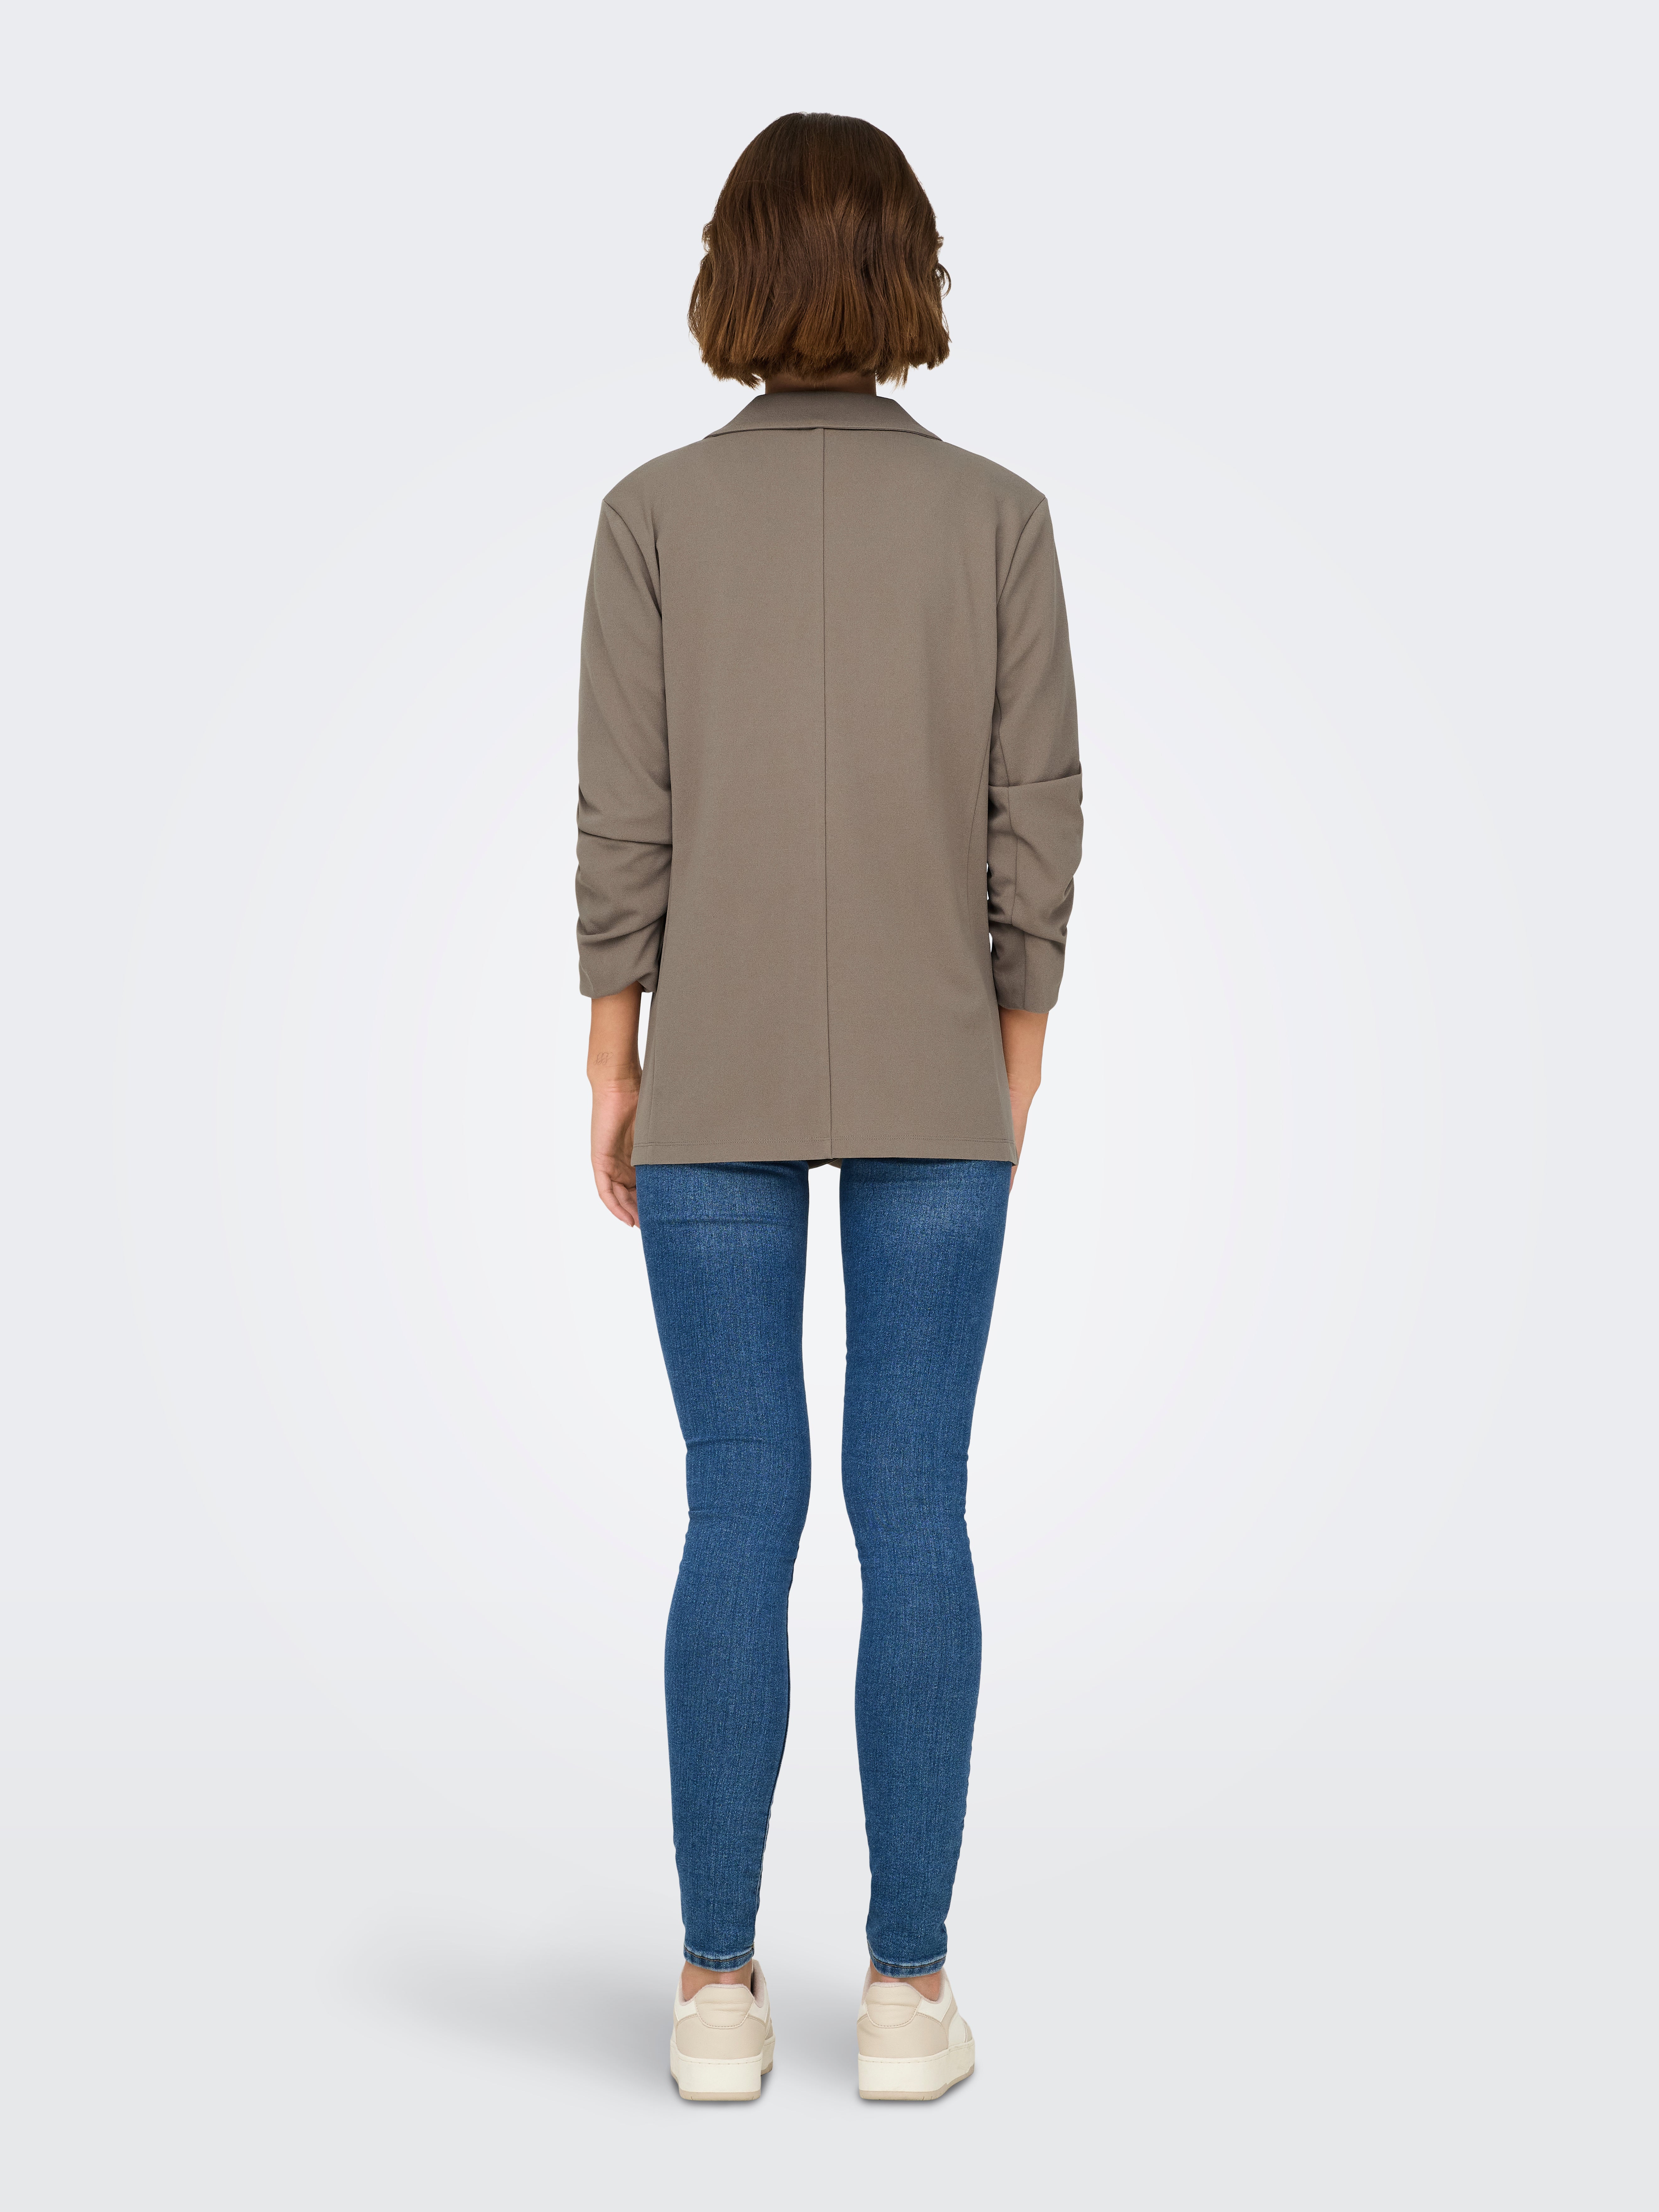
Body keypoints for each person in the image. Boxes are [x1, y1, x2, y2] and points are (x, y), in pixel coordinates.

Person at [575, 111, 1083, 2102]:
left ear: (733, 272)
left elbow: (624, 817)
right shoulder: (998, 518)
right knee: (913, 1503)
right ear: (906, 275)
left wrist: (611, 1058)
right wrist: (1011, 1054)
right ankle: (900, 1995)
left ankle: (715, 1993)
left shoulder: (647, 516)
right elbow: (1034, 815)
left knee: (737, 1503)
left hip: (710, 1069)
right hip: (938, 1065)